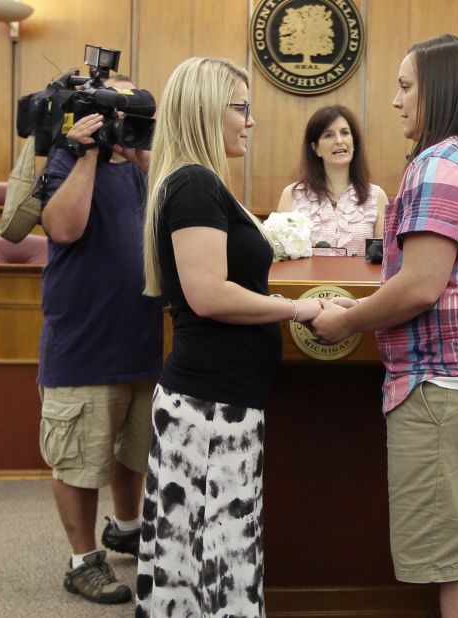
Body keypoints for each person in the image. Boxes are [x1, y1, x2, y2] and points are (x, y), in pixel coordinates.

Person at [310, 35, 458, 618]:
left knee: (454, 557)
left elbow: (420, 284)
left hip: (450, 388)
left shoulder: (441, 164)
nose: (395, 101)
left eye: (406, 87)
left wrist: (347, 323)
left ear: (442, 89)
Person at [137, 57, 322, 617]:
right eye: (241, 107)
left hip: (218, 401)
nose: (250, 120)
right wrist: (295, 308)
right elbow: (209, 294)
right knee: (213, 565)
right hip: (208, 408)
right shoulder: (193, 182)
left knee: (208, 560)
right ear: (205, 110)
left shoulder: (199, 181)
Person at [37, 74, 163, 605]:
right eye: (112, 106)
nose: (121, 117)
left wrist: (139, 157)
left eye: (129, 106)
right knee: (80, 459)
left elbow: (171, 213)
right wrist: (87, 154)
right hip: (84, 343)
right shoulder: (65, 162)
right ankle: (82, 561)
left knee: (134, 451)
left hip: (140, 341)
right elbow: (64, 228)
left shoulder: (139, 170)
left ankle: (127, 528)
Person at [276, 105, 388, 256]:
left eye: (345, 133)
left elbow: (384, 262)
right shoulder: (292, 195)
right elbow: (281, 257)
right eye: (329, 135)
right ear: (315, 148)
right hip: (304, 279)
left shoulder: (376, 196)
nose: (339, 140)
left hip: (357, 280)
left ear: (354, 143)